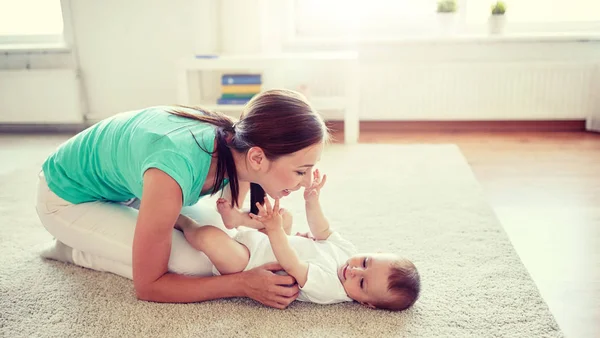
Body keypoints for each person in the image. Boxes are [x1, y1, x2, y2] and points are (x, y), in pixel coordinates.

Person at [35, 89, 328, 309]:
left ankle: (124, 230)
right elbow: (149, 287)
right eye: (301, 171)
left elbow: (234, 223)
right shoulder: (174, 168)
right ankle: (74, 249)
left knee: (220, 240)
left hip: (130, 189)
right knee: (196, 265)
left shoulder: (237, 145)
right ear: (258, 157)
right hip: (68, 200)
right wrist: (242, 285)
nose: (306, 182)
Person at [178, 169, 421, 311]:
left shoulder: (330, 289)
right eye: (366, 262)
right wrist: (311, 201)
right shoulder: (347, 252)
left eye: (362, 283)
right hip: (267, 242)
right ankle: (237, 220)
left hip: (249, 263)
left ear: (366, 303)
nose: (354, 270)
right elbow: (322, 229)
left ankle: (183, 223)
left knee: (209, 237)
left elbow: (292, 264)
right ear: (374, 252)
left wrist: (274, 232)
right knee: (285, 216)